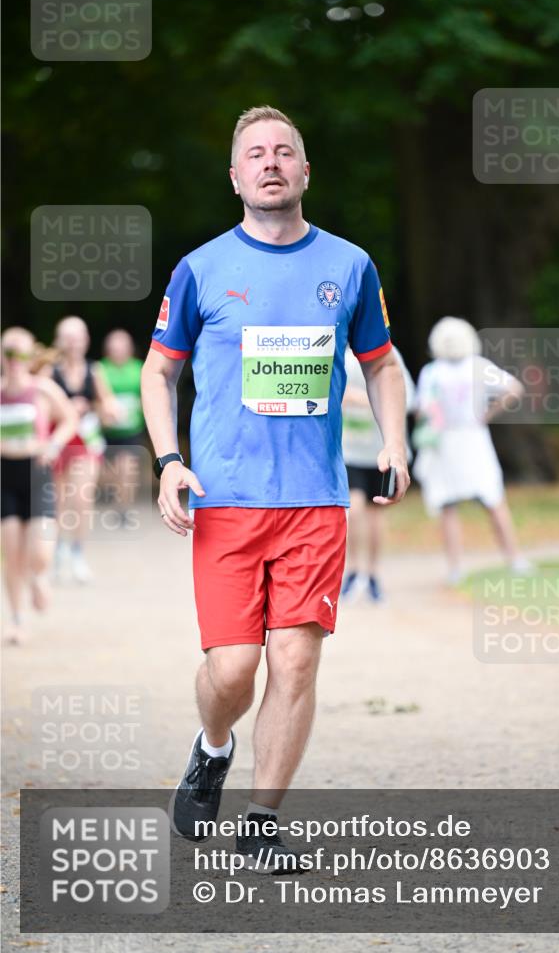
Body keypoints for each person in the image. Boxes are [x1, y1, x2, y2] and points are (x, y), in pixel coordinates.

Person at [141, 105, 409, 871]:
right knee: (233, 672)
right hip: (224, 501)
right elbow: (161, 371)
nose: (269, 162)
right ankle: (212, 746)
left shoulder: (349, 266)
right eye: (254, 153)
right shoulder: (200, 269)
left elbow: (382, 362)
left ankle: (261, 822)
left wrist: (393, 438)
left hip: (314, 501)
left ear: (303, 171)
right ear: (234, 176)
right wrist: (168, 459)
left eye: (283, 152)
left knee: (293, 662)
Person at [413, 316, 531, 584]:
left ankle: (455, 567)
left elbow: (422, 408)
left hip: (445, 442)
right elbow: (514, 388)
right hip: (474, 438)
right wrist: (487, 413)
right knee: (493, 500)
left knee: (447, 505)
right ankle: (515, 558)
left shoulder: (432, 372)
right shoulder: (478, 367)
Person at [1, 327, 77, 644]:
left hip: (36, 473)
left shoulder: (43, 389)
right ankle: (17, 619)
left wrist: (55, 445)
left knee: (40, 552)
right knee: (11, 551)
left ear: (30, 355)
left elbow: (70, 418)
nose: (15, 360)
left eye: (20, 353)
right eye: (8, 353)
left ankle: (40, 575)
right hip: (6, 475)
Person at [341, 344, 416, 602]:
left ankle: (370, 574)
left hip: (379, 450)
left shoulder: (387, 355)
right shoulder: (341, 356)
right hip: (349, 449)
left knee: (374, 513)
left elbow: (408, 396)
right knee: (356, 508)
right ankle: (353, 570)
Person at [46, 316, 117, 583]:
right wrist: (65, 408)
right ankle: (55, 552)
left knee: (82, 500)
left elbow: (107, 403)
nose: (75, 343)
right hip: (58, 441)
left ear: (87, 340)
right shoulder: (49, 371)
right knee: (58, 501)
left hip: (86, 443)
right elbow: (40, 410)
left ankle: (77, 553)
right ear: (60, 340)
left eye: (79, 337)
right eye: (70, 337)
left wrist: (106, 410)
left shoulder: (94, 371)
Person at [98, 330, 146, 527]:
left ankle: (123, 510)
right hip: (106, 432)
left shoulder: (138, 368)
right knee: (110, 474)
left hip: (131, 430)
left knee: (126, 471)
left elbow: (147, 397)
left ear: (129, 349)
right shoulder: (100, 369)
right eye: (114, 348)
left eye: (121, 347)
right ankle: (117, 500)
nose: (118, 351)